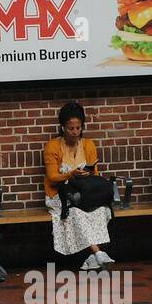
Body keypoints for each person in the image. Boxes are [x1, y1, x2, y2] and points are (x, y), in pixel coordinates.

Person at [44, 101, 113, 271]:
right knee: (75, 213)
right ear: (62, 127)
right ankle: (98, 252)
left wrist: (87, 173)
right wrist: (70, 174)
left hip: (85, 193)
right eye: (71, 128)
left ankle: (90, 258)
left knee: (100, 210)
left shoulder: (88, 145)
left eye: (78, 128)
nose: (75, 132)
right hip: (60, 195)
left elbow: (95, 175)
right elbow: (52, 177)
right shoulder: (53, 146)